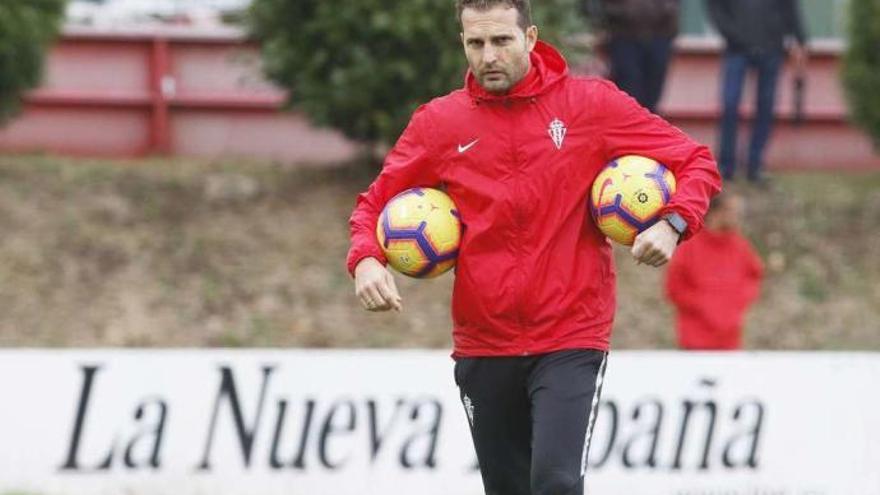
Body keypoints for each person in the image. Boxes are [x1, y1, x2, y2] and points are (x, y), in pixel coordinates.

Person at [347, 1, 721, 493]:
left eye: (501, 41)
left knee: (557, 483)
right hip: (484, 340)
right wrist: (366, 259)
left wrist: (673, 223)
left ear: (530, 36)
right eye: (475, 44)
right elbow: (374, 204)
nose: (488, 56)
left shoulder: (591, 106)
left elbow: (697, 161)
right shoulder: (439, 124)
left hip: (570, 334)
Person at [706, 0, 808, 184]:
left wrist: (800, 39)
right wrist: (730, 33)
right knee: (730, 104)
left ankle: (755, 166)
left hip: (772, 47)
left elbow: (790, 7)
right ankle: (726, 166)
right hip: (736, 49)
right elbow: (715, 7)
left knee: (765, 107)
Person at [665, 192, 763, 350]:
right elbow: (674, 288)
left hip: (730, 341)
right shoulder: (689, 247)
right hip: (695, 341)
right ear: (717, 212)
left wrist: (737, 303)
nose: (737, 216)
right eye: (733, 211)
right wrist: (704, 304)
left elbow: (754, 277)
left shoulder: (741, 246)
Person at [584, 0, 681, 114]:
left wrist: (668, 8)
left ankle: (647, 126)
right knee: (628, 88)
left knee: (653, 90)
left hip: (660, 32)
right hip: (623, 33)